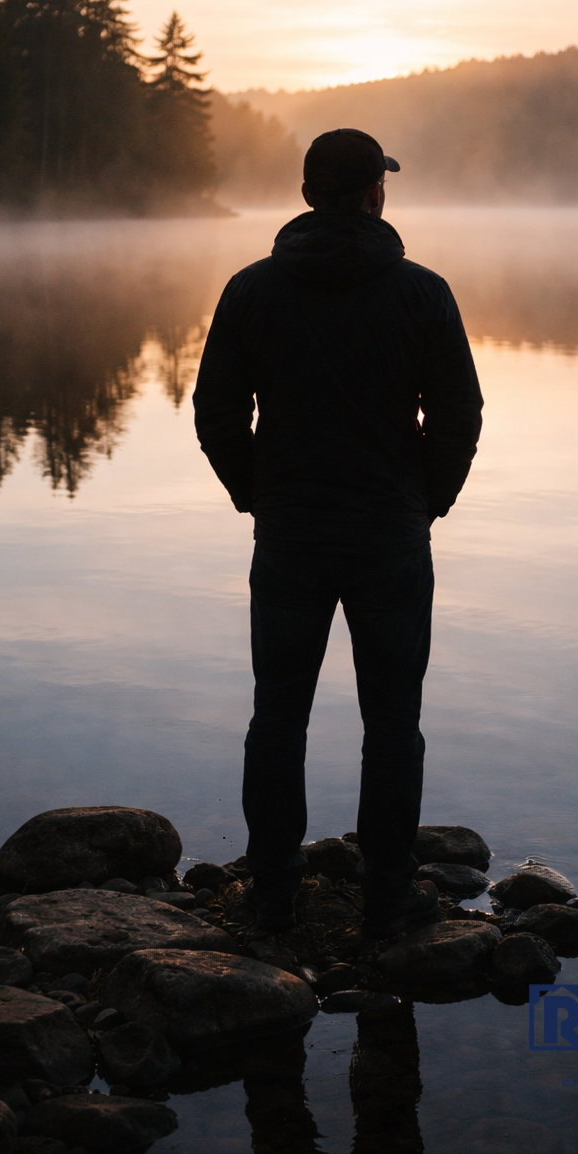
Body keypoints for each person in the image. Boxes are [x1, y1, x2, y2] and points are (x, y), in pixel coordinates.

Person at [193, 127, 483, 938]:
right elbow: (459, 413)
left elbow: (216, 412)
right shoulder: (422, 293)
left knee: (277, 715)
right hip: (389, 535)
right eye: (381, 182)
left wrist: (257, 494)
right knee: (392, 720)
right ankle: (389, 895)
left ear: (307, 196)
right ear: (371, 194)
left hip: (290, 535)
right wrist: (429, 499)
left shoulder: (252, 291)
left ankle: (274, 892)